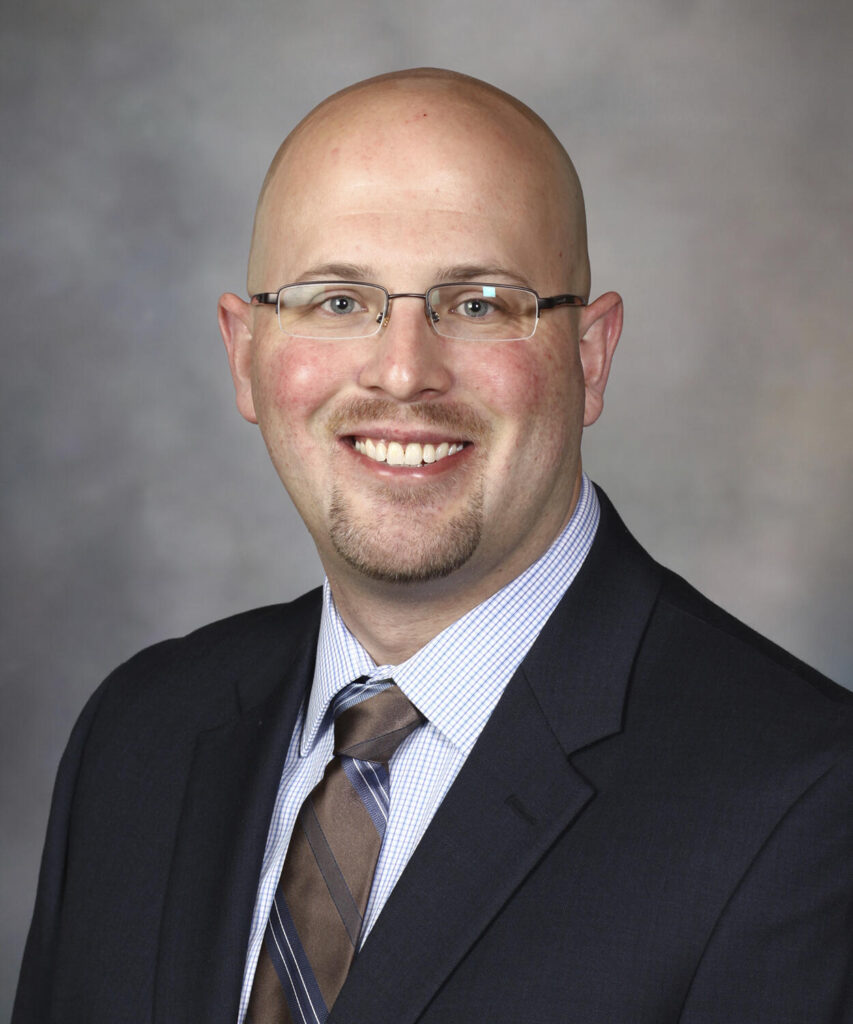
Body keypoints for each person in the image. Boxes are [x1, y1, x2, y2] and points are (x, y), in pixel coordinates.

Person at [13, 68, 852, 1024]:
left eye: (480, 302)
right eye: (336, 302)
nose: (404, 373)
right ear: (243, 354)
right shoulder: (140, 735)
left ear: (590, 356)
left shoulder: (806, 804)